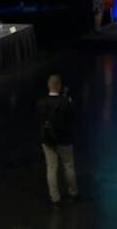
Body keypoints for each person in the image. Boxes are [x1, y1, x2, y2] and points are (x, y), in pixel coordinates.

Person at [37, 74, 79, 206]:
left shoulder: (41, 102)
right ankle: (73, 192)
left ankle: (55, 197)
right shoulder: (66, 102)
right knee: (68, 166)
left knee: (51, 168)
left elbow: (39, 120)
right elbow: (73, 118)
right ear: (59, 86)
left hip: (48, 140)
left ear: (49, 86)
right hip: (65, 139)